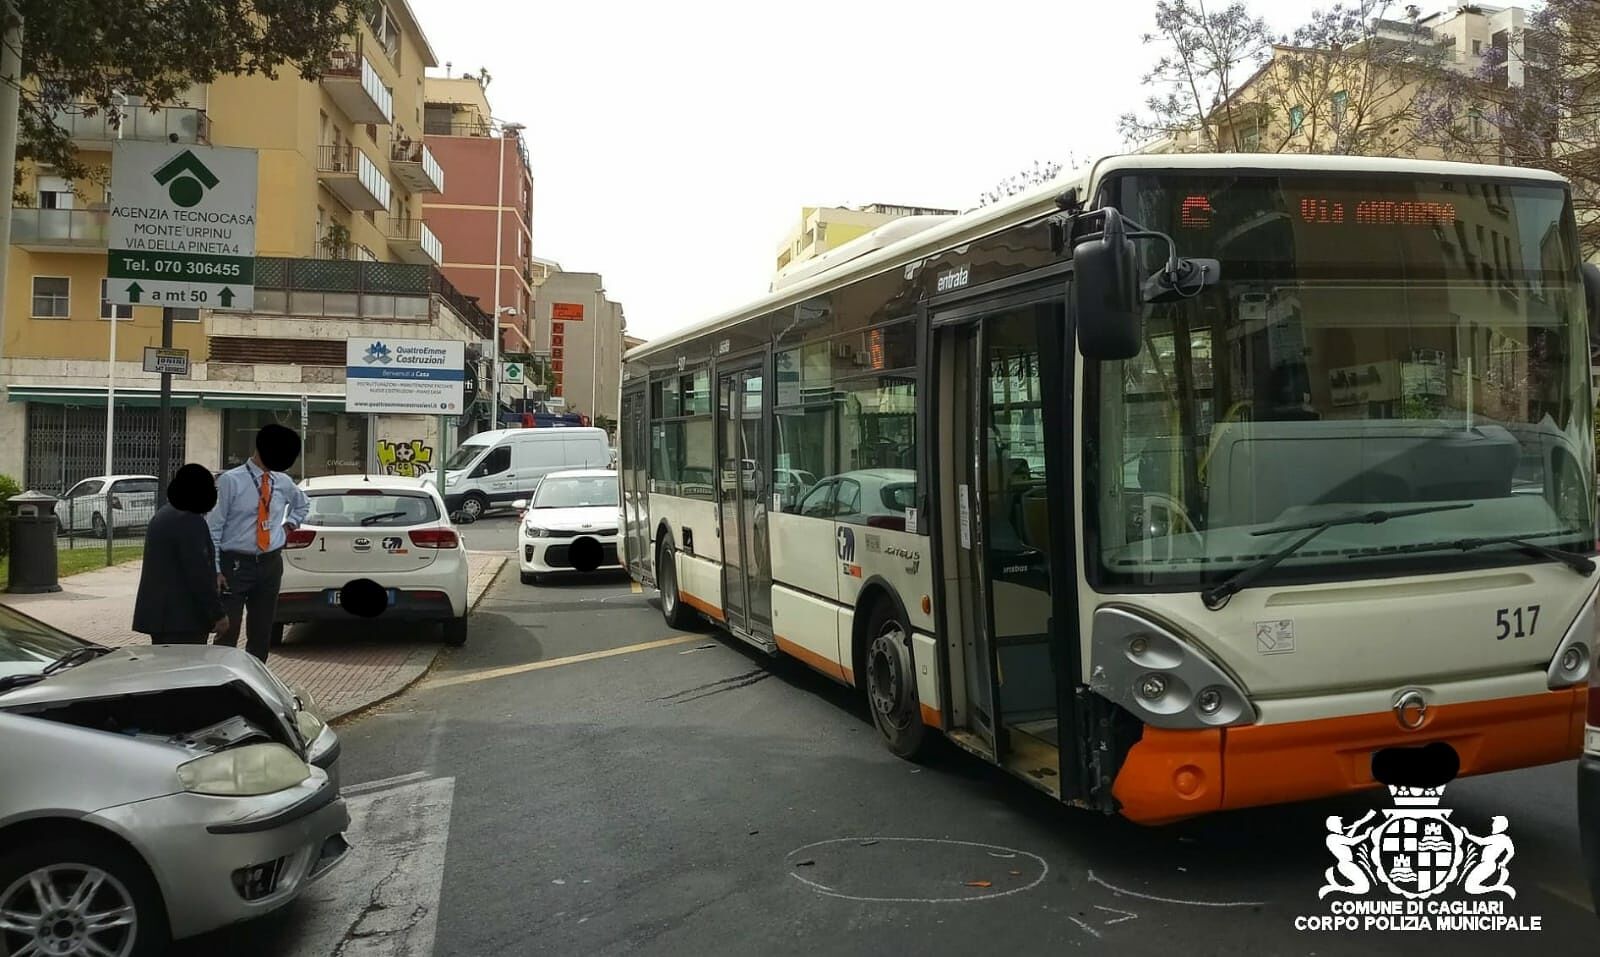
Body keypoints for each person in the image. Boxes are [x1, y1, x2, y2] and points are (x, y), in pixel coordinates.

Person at [208, 424, 309, 662]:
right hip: (235, 563)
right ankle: (223, 678)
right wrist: (216, 569)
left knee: (262, 631)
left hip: (269, 562)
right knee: (228, 629)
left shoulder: (282, 481)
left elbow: (303, 504)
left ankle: (255, 678)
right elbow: (214, 527)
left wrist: (289, 526)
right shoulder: (231, 481)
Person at [132, 464, 228, 644]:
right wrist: (218, 614)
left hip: (164, 617)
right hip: (183, 619)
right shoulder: (189, 521)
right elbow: (197, 572)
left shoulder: (166, 515)